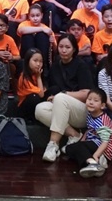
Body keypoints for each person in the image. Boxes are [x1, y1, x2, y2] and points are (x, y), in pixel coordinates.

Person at [36, 34, 94, 162]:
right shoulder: (56, 66)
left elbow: (87, 93)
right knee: (40, 109)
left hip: (81, 110)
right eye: (61, 46)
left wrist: (64, 94)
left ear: (74, 49)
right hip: (61, 107)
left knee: (60, 98)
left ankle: (53, 144)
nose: (63, 50)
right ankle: (74, 134)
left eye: (67, 47)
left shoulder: (81, 65)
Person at [65, 88, 112, 178]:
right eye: (89, 99)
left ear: (102, 106)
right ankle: (96, 162)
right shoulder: (90, 114)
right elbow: (89, 129)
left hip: (104, 147)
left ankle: (94, 162)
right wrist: (82, 141)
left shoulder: (102, 122)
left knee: (79, 147)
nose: (91, 102)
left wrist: (96, 154)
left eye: (95, 101)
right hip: (93, 142)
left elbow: (105, 142)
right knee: (69, 149)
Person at [16, 49, 47, 121]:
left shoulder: (38, 72)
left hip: (38, 97)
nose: (38, 64)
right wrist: (39, 77)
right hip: (25, 104)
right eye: (35, 61)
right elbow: (41, 94)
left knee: (54, 90)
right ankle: (31, 119)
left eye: (41, 61)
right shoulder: (24, 77)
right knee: (34, 97)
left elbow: (44, 90)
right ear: (28, 61)